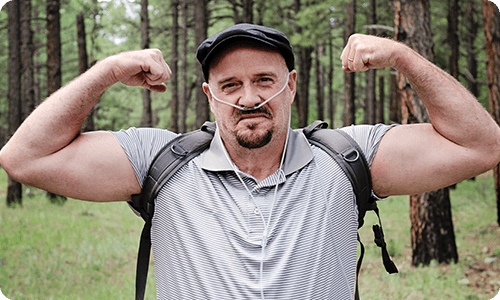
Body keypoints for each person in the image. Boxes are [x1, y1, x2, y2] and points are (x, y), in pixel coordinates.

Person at [1, 23, 499, 299]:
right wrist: (105, 71)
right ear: (209, 95)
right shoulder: (161, 162)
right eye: (230, 85)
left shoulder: (348, 157)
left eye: (264, 80)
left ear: (292, 85)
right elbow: (22, 158)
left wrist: (405, 59)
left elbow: (480, 146)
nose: (248, 97)